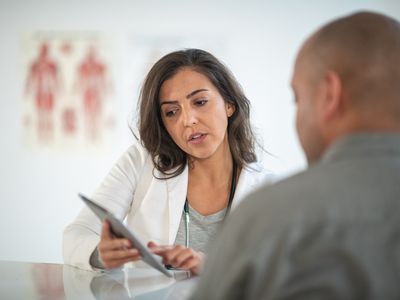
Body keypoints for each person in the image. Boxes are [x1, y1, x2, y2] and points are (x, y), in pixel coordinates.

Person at [191, 11, 400, 299]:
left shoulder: (268, 216)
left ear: (330, 95)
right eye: (171, 111)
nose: (188, 121)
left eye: (297, 97)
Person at [63, 49, 273, 275]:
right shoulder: (141, 161)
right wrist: (100, 254)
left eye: (200, 102)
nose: (188, 120)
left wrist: (213, 268)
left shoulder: (268, 189)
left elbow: (281, 274)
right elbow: (77, 234)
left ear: (229, 104)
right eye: (172, 112)